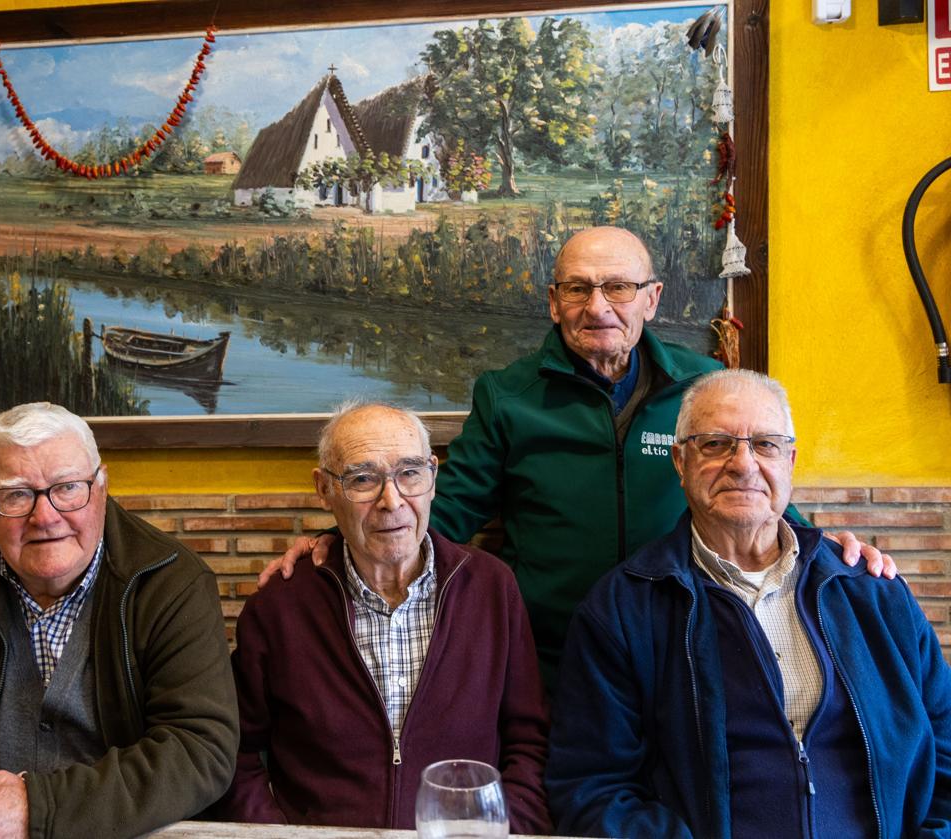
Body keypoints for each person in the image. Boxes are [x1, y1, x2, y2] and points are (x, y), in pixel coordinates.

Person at [262, 226, 893, 686]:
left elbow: (756, 487)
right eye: (578, 289)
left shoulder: (701, 388)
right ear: (553, 300)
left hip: (694, 643)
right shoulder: (508, 395)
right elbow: (445, 513)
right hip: (554, 658)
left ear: (652, 297)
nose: (598, 307)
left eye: (618, 287)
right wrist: (336, 547)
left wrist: (827, 550)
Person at [545, 370, 951, 838]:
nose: (743, 463)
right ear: (680, 461)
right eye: (716, 444)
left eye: (765, 444)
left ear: (790, 462)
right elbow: (592, 788)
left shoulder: (870, 589)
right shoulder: (623, 609)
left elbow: (945, 749)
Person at [0, 403, 238, 839]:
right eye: (16, 494)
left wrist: (32, 810)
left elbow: (199, 750)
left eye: (67, 488)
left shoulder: (170, 584)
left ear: (101, 487)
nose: (44, 517)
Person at [219, 402, 551, 832]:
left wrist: (506, 828)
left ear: (433, 477)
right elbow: (235, 753)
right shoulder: (279, 607)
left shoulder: (492, 588)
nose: (391, 500)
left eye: (410, 473)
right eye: (362, 479)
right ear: (325, 490)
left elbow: (530, 744)